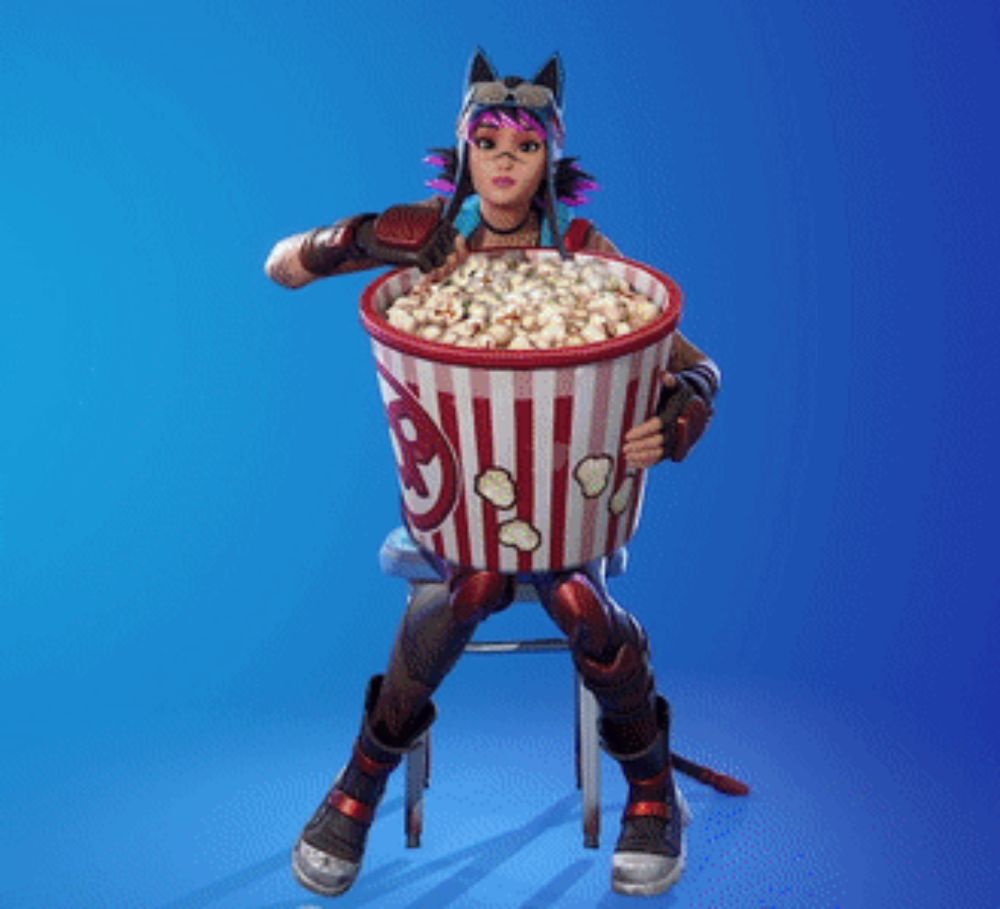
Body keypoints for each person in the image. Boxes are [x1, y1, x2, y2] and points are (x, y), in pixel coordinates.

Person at [265, 49, 722, 899]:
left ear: (551, 158)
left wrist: (678, 413)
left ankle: (651, 787)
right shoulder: (431, 250)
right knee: (471, 583)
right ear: (463, 154)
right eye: (488, 141)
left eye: (525, 144)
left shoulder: (587, 253)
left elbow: (699, 366)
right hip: (453, 496)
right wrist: (367, 236)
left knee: (575, 594)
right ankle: (360, 779)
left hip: (570, 496)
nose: (505, 160)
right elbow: (281, 266)